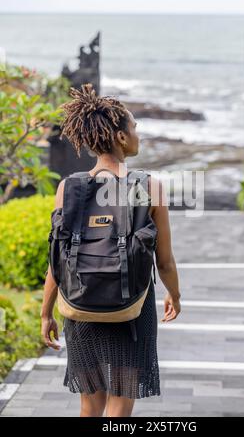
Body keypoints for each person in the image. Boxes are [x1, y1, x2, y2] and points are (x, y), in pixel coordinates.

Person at [40, 83, 181, 417]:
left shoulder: (68, 188)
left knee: (90, 403)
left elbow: (57, 259)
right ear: (120, 137)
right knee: (121, 400)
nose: (137, 134)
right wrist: (174, 294)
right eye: (133, 127)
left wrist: (46, 312)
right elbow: (164, 260)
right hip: (130, 306)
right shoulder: (148, 187)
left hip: (80, 302)